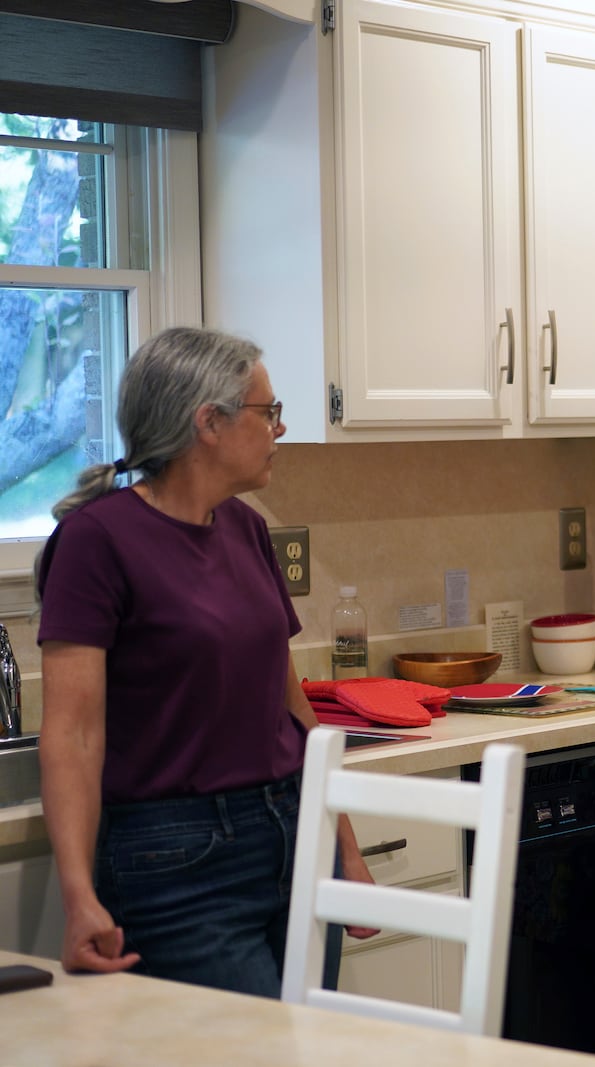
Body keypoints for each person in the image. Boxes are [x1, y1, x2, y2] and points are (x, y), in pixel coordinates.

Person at [35, 326, 376, 997]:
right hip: (178, 862)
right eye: (268, 411)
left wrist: (346, 847)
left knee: (304, 1051)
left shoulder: (246, 527)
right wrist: (79, 897)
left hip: (291, 833)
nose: (280, 427)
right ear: (209, 423)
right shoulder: (95, 541)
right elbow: (72, 735)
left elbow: (292, 705)